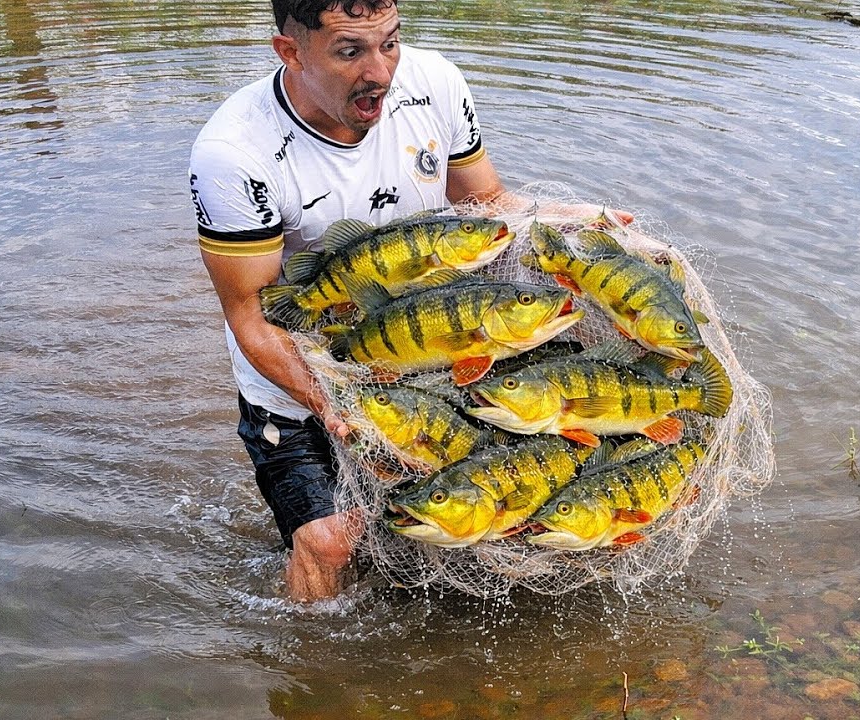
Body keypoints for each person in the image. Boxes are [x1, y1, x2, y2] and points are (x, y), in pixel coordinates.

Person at [189, 0, 626, 602]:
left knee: (460, 510)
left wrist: (572, 221)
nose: (381, 73)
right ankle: (308, 652)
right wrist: (335, 403)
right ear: (291, 52)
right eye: (350, 51)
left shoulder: (435, 82)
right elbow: (253, 319)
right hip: (301, 370)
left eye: (390, 43)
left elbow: (486, 203)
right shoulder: (235, 153)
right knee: (331, 542)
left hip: (424, 356)